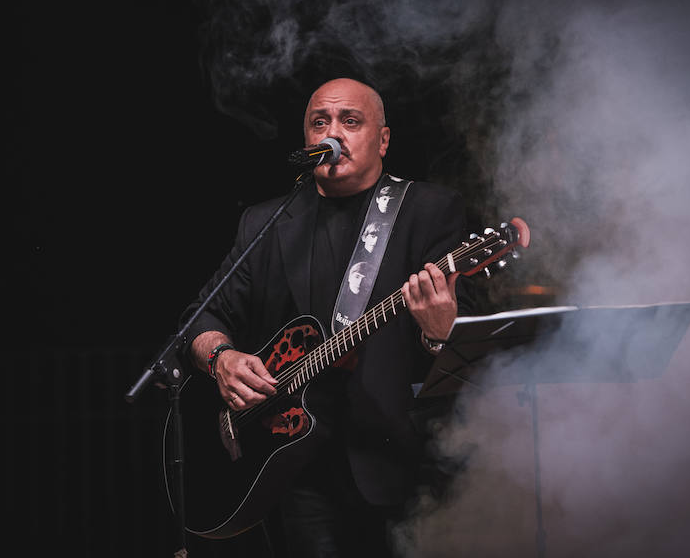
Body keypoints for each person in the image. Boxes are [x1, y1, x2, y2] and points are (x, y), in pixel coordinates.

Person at [181, 77, 476, 557]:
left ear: (382, 139)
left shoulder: (428, 210)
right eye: (320, 122)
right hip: (292, 466)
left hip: (397, 461)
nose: (332, 133)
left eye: (350, 121)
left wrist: (439, 334)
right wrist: (220, 358)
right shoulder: (267, 222)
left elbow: (472, 345)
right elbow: (203, 314)